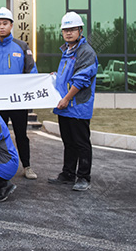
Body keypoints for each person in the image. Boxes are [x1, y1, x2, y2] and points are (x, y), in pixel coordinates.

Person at [0, 7, 38, 180]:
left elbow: (32, 71)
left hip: (18, 101)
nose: (2, 27)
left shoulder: (22, 47)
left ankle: (27, 166)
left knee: (21, 135)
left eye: (5, 23)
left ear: (11, 25)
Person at [48, 11, 98, 192]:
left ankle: (83, 177)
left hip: (77, 106)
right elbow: (68, 76)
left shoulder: (86, 52)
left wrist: (67, 98)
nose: (68, 33)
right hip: (65, 106)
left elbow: (81, 80)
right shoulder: (67, 51)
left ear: (80, 31)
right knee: (68, 142)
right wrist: (56, 76)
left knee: (81, 143)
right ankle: (68, 173)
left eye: (72, 29)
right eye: (65, 30)